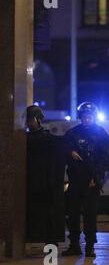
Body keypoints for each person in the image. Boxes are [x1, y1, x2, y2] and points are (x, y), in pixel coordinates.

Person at [62, 102, 109, 258]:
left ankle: (90, 246)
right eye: (84, 117)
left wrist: (96, 177)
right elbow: (62, 150)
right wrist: (70, 152)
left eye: (89, 117)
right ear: (80, 117)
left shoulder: (101, 133)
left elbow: (105, 159)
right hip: (75, 179)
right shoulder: (72, 133)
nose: (87, 119)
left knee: (90, 215)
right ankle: (74, 245)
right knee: (73, 213)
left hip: (91, 181)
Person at [25, 105, 66, 248]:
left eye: (31, 120)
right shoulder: (30, 138)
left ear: (38, 120)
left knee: (48, 214)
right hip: (34, 182)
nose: (29, 123)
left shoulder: (47, 139)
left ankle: (50, 241)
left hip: (44, 183)